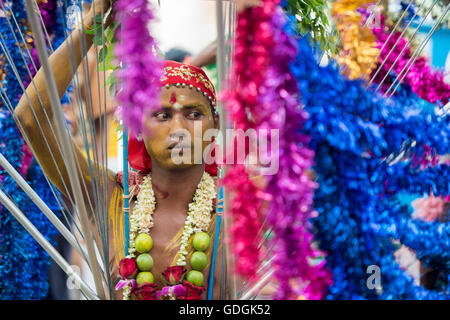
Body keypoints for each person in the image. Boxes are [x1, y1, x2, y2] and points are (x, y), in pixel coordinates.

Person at [14, 0, 222, 300]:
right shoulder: (109, 195)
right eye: (162, 115)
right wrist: (90, 28)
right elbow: (31, 117)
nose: (179, 128)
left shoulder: (237, 205)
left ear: (215, 126)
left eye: (193, 114)